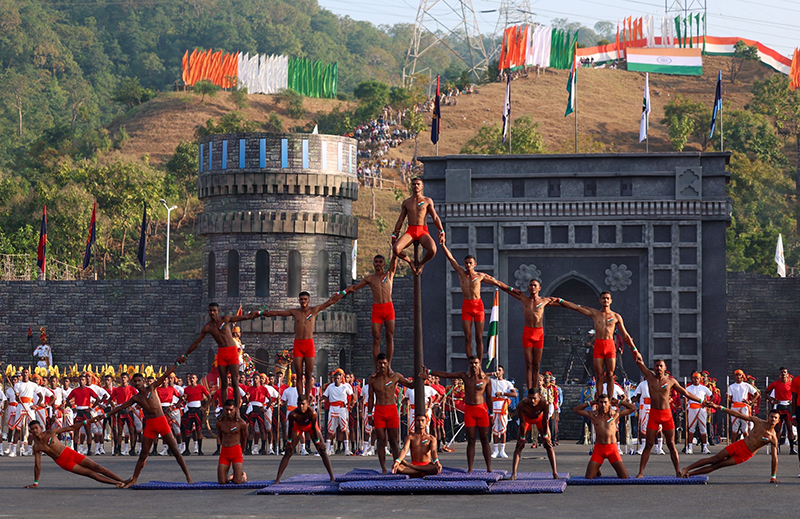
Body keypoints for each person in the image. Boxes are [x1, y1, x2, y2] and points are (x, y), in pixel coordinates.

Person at [106, 360, 193, 488]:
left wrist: (177, 363)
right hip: (150, 424)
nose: (137, 383)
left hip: (161, 421)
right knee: (143, 454)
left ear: (143, 381)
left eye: (139, 381)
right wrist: (106, 415)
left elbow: (165, 375)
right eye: (135, 381)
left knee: (175, 450)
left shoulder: (152, 388)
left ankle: (188, 477)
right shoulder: (136, 398)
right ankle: (134, 479)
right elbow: (121, 406)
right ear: (132, 383)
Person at [181, 302, 263, 411]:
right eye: (210, 311)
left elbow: (242, 317)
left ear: (218, 311)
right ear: (208, 312)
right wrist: (185, 355)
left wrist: (257, 313)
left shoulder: (225, 319)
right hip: (222, 353)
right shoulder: (208, 327)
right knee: (224, 382)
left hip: (232, 351)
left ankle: (237, 410)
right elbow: (196, 342)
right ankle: (224, 409)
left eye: (214, 310)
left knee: (234, 381)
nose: (212, 312)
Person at [263, 291, 345, 398]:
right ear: (299, 300)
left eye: (305, 299)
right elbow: (279, 313)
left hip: (309, 344)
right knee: (299, 373)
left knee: (308, 373)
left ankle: (306, 397)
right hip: (298, 345)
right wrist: (264, 313)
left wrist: (343, 293)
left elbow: (330, 302)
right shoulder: (295, 312)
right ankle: (300, 397)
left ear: (309, 300)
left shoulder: (313, 310)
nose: (303, 301)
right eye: (301, 299)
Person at [633, 355, 703, 477]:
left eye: (661, 366)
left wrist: (701, 401)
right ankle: (640, 472)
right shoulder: (649, 377)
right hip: (654, 414)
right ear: (654, 368)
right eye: (657, 366)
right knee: (648, 444)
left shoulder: (670, 381)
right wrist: (633, 347)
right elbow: (639, 362)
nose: (659, 368)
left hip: (666, 415)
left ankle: (677, 471)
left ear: (665, 368)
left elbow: (685, 392)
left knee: (671, 444)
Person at [423, 356, 493, 472]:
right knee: (471, 440)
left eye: (476, 363)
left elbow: (489, 397)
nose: (474, 365)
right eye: (471, 363)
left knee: (485, 439)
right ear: (469, 364)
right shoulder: (464, 376)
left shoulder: (486, 379)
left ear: (479, 364)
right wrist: (430, 371)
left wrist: (491, 414)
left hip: (482, 410)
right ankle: (470, 468)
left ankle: (489, 468)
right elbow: (447, 375)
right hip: (469, 410)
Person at [560, 292, 637, 396]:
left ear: (611, 301)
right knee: (599, 375)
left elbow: (626, 335)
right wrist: (560, 301)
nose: (605, 300)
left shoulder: (616, 316)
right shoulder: (595, 313)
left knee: (610, 374)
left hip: (610, 345)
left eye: (607, 298)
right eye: (603, 298)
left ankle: (609, 400)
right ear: (600, 300)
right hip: (599, 345)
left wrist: (635, 350)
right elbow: (577, 308)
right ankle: (599, 399)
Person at [681, 404, 780, 483]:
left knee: (717, 465)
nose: (773, 419)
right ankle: (686, 469)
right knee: (714, 459)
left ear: (778, 420)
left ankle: (691, 474)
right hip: (739, 445)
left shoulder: (773, 437)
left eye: (775, 418)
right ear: (768, 417)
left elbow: (774, 458)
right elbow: (737, 415)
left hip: (745, 455)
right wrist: (719, 407)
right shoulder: (758, 422)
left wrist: (773, 477)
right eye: (771, 417)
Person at [441, 243, 508, 360]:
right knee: (467, 337)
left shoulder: (480, 275)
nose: (468, 265)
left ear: (474, 264)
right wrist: (443, 245)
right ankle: (470, 363)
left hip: (478, 306)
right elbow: (451, 259)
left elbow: (497, 282)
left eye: (470, 263)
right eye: (466, 263)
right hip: (466, 306)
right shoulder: (461, 273)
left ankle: (480, 363)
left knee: (479, 337)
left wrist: (512, 289)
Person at [24, 418, 125, 488]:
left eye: (36, 428)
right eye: (32, 429)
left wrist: (88, 421)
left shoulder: (51, 432)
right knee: (91, 474)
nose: (35, 430)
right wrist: (35, 483)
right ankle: (116, 483)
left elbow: (71, 428)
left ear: (41, 427)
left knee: (98, 468)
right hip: (63, 462)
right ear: (30, 431)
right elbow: (37, 466)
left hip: (70, 453)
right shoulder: (36, 447)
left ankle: (124, 481)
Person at [501, 279, 563, 388]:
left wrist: (563, 301)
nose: (532, 287)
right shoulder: (523, 298)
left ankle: (535, 388)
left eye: (535, 285)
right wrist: (496, 282)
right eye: (531, 285)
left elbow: (563, 304)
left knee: (536, 364)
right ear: (528, 287)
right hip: (528, 332)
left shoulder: (544, 300)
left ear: (539, 288)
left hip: (539, 333)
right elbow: (506, 289)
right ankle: (530, 389)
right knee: (528, 364)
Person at [346, 253, 399, 366]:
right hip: (377, 309)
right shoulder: (370, 279)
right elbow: (355, 288)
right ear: (373, 264)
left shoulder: (389, 274)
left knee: (389, 336)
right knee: (376, 338)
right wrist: (343, 292)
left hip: (388, 307)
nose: (378, 264)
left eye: (380, 262)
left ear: (384, 264)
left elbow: (395, 258)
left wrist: (395, 244)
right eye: (376, 262)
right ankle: (377, 366)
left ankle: (388, 365)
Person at [367, 353, 414, 473]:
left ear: (388, 363)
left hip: (391, 410)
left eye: (384, 363)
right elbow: (371, 398)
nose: (382, 365)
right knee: (381, 440)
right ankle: (383, 468)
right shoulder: (373, 379)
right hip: (379, 411)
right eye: (380, 363)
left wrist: (420, 376)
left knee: (394, 440)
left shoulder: (395, 377)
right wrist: (369, 414)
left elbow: (410, 385)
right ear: (376, 364)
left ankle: (396, 465)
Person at [274, 395, 334, 484]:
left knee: (322, 449)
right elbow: (290, 428)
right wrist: (289, 442)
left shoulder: (312, 413)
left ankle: (332, 477)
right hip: (298, 427)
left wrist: (318, 442)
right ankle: (278, 479)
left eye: (303, 404)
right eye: (299, 404)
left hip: (310, 427)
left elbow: (314, 428)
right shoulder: (293, 414)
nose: (301, 406)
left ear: (307, 404)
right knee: (289, 452)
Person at [391, 177, 445, 275]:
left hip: (422, 230)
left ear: (422, 186)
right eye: (414, 184)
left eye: (418, 184)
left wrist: (441, 231)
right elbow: (400, 220)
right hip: (410, 231)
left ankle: (422, 263)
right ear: (411, 186)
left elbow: (435, 217)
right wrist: (395, 234)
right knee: (396, 249)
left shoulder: (427, 201)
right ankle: (410, 262)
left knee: (433, 250)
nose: (416, 186)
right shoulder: (406, 202)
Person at [574, 394, 635, 479]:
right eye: (601, 402)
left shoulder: (615, 414)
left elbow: (633, 408)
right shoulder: (593, 415)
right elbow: (576, 409)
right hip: (599, 449)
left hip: (612, 449)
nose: (603, 405)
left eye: (605, 402)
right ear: (597, 403)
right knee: (589, 477)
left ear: (609, 403)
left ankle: (597, 467)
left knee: (624, 476)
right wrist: (590, 403)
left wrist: (618, 402)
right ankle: (597, 469)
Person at [511, 388, 558, 480]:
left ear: (539, 397)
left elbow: (545, 420)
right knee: (519, 445)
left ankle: (555, 472)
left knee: (548, 445)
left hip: (540, 420)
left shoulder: (544, 403)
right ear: (527, 397)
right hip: (526, 420)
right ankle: (514, 473)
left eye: (535, 398)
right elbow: (522, 422)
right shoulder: (521, 405)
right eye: (530, 398)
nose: (532, 401)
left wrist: (545, 436)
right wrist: (523, 437)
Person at [322, 369, 354, 455]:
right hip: (332, 408)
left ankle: (347, 449)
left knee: (344, 429)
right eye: (335, 378)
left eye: (338, 378)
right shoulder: (330, 387)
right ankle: (328, 449)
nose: (336, 380)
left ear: (341, 379)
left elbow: (352, 395)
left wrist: (349, 405)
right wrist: (320, 399)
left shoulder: (345, 387)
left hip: (342, 409)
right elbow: (325, 396)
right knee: (330, 430)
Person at [216, 399, 248, 484]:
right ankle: (231, 476)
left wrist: (242, 452)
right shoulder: (219, 423)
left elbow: (244, 439)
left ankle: (242, 476)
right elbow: (220, 436)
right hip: (224, 452)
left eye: (231, 410)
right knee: (222, 482)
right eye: (227, 410)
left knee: (237, 481)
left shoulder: (241, 423)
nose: (229, 412)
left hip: (236, 451)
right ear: (223, 409)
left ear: (235, 409)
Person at [766, 367, 795, 454]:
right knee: (778, 429)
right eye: (781, 372)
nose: (783, 374)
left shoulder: (791, 384)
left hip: (788, 407)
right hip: (779, 407)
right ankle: (777, 447)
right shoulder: (775, 384)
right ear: (779, 374)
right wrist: (772, 400)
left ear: (787, 374)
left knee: (790, 428)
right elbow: (765, 392)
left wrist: (792, 401)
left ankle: (792, 448)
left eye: (784, 372)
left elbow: (796, 393)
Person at [490, 366, 517, 459]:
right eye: (496, 370)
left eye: (499, 370)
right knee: (494, 430)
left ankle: (502, 450)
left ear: (503, 372)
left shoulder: (507, 383)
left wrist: (502, 393)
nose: (498, 372)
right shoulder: (492, 381)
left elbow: (514, 394)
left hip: (503, 408)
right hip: (493, 407)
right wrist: (492, 374)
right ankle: (495, 450)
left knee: (503, 430)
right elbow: (480, 376)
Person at [685, 371, 713, 455]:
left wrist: (707, 403)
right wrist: (685, 405)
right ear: (692, 379)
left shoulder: (703, 388)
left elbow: (712, 396)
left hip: (702, 409)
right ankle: (689, 447)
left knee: (703, 428)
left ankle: (705, 447)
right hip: (692, 409)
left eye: (698, 378)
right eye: (694, 378)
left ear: (700, 379)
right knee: (691, 428)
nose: (696, 380)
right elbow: (685, 398)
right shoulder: (688, 388)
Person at [727, 369, 759, 440]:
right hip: (734, 407)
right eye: (737, 375)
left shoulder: (746, 385)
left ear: (742, 376)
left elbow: (757, 394)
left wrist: (750, 402)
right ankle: (733, 447)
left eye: (739, 375)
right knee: (734, 429)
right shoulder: (731, 386)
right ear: (735, 376)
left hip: (744, 407)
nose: (738, 377)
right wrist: (728, 399)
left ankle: (747, 446)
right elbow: (729, 398)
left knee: (745, 429)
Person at [181, 373, 209, 455]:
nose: (192, 379)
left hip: (197, 410)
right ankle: (186, 449)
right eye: (191, 378)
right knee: (187, 430)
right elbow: (184, 399)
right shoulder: (186, 389)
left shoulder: (201, 387)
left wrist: (205, 407)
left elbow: (209, 397)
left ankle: (199, 450)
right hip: (189, 410)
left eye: (193, 378)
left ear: (196, 379)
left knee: (198, 430)